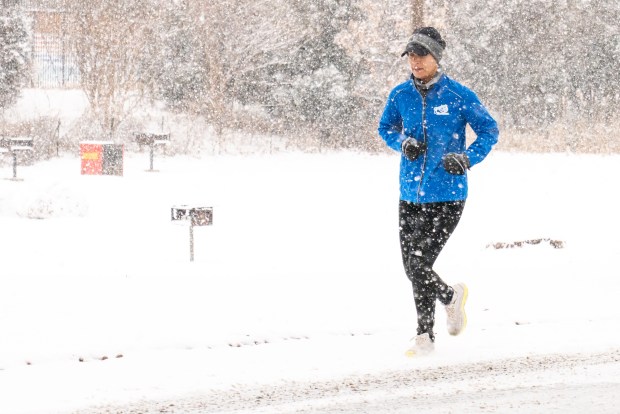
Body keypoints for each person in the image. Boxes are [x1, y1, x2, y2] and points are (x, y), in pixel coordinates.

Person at [377, 27, 499, 356]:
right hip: (409, 195)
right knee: (413, 266)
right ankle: (430, 328)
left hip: (447, 196)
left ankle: (428, 326)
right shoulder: (400, 95)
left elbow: (489, 130)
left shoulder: (459, 96)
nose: (415, 61)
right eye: (411, 56)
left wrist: (468, 157)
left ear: (436, 58)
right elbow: (385, 127)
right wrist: (403, 144)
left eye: (422, 55)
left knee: (419, 265)